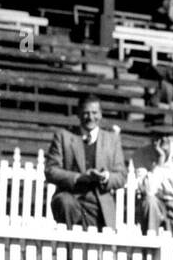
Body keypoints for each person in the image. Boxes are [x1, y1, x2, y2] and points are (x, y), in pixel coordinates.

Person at [45, 95, 128, 229]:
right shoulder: (63, 136)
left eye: (94, 113)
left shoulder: (111, 140)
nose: (90, 117)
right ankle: (69, 249)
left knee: (98, 247)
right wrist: (79, 177)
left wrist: (105, 177)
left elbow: (121, 176)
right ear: (78, 114)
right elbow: (51, 170)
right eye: (86, 113)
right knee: (65, 203)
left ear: (100, 114)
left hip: (99, 203)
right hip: (71, 197)